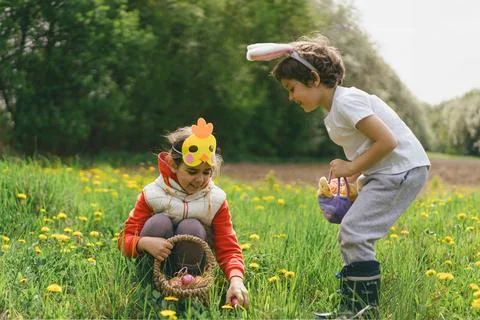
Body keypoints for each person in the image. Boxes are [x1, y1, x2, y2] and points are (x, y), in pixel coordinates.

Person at [246, 35, 430, 318]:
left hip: (400, 169)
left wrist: (352, 168)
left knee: (355, 232)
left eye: (292, 88)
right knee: (352, 232)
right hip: (386, 171)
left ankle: (362, 311)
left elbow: (388, 141)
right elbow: (370, 147)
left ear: (313, 78)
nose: (291, 97)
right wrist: (351, 186)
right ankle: (354, 307)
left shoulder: (347, 102)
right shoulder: (334, 111)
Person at [117, 117, 249, 309]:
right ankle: (151, 285)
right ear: (172, 164)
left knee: (192, 225)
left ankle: (188, 287)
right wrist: (143, 243)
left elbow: (228, 246)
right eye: (192, 171)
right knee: (159, 222)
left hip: (192, 265)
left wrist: (236, 280)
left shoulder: (216, 199)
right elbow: (123, 240)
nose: (200, 179)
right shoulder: (152, 194)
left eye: (207, 172)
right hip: (157, 263)